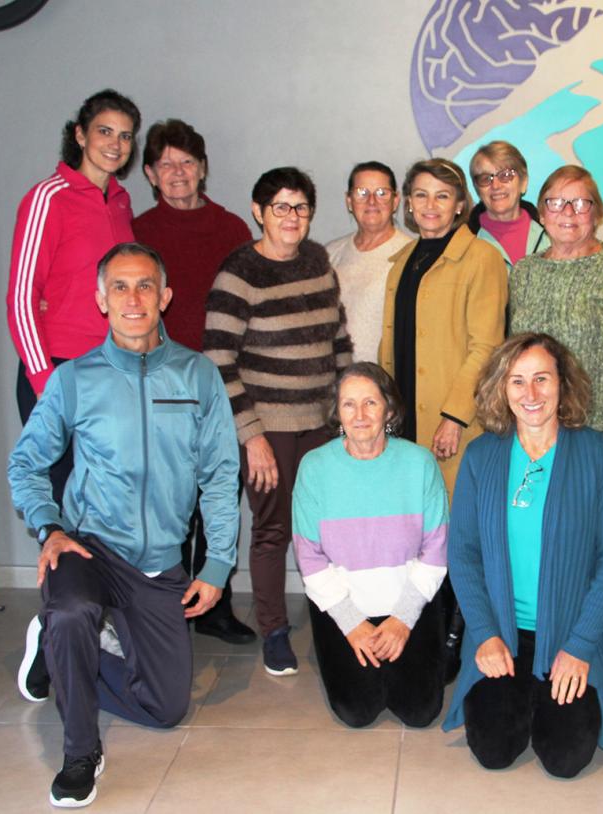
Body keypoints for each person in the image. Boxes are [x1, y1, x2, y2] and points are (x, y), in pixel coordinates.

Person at [9, 243, 240, 808]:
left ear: (164, 297)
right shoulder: (74, 379)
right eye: (119, 287)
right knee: (73, 610)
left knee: (165, 709)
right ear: (100, 299)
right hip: (88, 547)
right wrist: (50, 528)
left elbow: (220, 475)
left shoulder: (198, 374)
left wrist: (216, 564)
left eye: (144, 287)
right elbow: (26, 464)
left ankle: (62, 654)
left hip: (160, 559)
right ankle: (80, 752)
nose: (132, 299)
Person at [444, 333, 603, 778]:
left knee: (566, 759)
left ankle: (547, 687)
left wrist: (581, 646)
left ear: (563, 384)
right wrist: (486, 634)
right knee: (493, 750)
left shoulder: (601, 456)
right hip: (502, 633)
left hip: (571, 633)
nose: (531, 395)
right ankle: (522, 688)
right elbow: (464, 554)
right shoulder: (481, 456)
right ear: (501, 389)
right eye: (517, 382)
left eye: (542, 379)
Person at [203, 166, 352, 677]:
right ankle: (274, 630)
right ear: (259, 211)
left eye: (301, 207)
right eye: (281, 207)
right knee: (273, 531)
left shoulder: (316, 261)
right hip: (268, 429)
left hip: (322, 424)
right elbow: (218, 360)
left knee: (327, 529)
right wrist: (253, 438)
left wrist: (349, 408)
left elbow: (338, 340)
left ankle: (337, 618)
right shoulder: (238, 272)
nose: (292, 217)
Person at [131, 119, 255, 646]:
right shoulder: (137, 231)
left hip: (223, 379)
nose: (177, 172)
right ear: (150, 174)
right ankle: (168, 607)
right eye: (165, 164)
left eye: (187, 162)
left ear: (202, 168)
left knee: (219, 492)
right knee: (168, 498)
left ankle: (216, 605)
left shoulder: (231, 229)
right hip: (160, 380)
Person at [292, 363, 449, 728]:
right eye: (349, 405)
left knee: (420, 712)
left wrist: (403, 620)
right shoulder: (314, 468)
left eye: (370, 404)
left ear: (389, 410)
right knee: (357, 712)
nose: (360, 415)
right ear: (337, 413)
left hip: (409, 602)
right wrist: (351, 623)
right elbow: (309, 558)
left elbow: (437, 550)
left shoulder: (420, 463)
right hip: (345, 605)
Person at [6, 88, 140, 502]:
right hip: (60, 372)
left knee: (113, 499)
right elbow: (21, 299)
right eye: (105, 131)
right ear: (80, 135)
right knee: (67, 501)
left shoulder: (120, 202)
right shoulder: (47, 199)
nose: (115, 144)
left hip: (114, 370)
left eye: (125, 135)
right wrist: (46, 383)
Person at [509, 165, 603, 487]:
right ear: (542, 213)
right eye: (556, 202)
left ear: (596, 213)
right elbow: (514, 358)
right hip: (535, 431)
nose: (567, 212)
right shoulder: (524, 272)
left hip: (602, 432)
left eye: (580, 203)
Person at [378, 158, 506, 497]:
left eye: (442, 196)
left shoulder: (483, 258)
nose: (430, 205)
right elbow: (390, 343)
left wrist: (454, 418)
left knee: (452, 529)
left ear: (460, 204)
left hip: (451, 423)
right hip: (402, 422)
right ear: (407, 203)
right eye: (421, 195)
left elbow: (487, 348)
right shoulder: (401, 261)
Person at [325, 162, 413, 363]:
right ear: (349, 201)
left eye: (382, 192)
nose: (371, 201)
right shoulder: (329, 254)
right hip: (334, 383)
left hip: (383, 384)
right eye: (361, 192)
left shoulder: (411, 256)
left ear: (395, 201)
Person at [466, 140, 550, 270]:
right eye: (485, 179)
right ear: (477, 189)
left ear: (523, 182)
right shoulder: (464, 243)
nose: (496, 186)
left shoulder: (552, 234)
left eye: (505, 175)